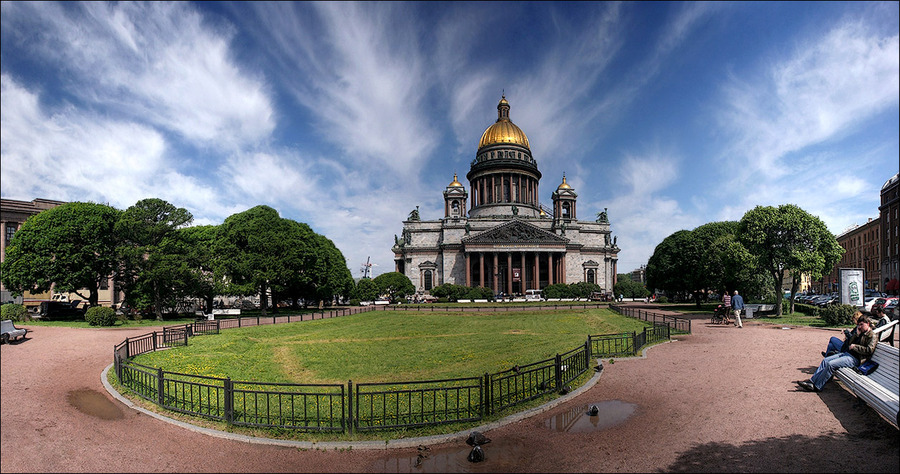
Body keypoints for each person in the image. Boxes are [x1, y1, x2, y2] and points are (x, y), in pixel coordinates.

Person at [797, 315, 877, 392]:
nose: (859, 327)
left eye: (861, 325)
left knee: (831, 364)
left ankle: (817, 386)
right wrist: (856, 335)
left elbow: (869, 350)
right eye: (859, 325)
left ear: (868, 324)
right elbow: (849, 343)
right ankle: (811, 382)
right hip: (847, 354)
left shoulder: (872, 335)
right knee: (826, 360)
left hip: (856, 359)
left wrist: (855, 347)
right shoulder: (861, 332)